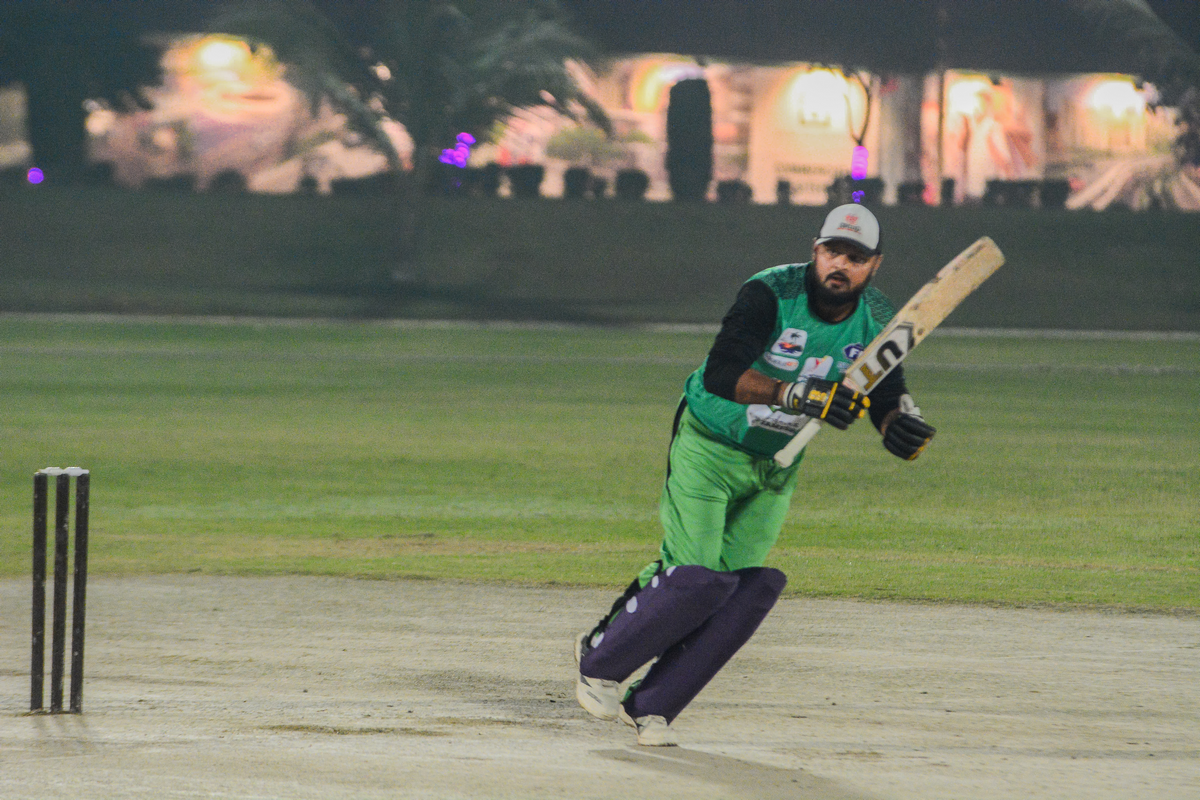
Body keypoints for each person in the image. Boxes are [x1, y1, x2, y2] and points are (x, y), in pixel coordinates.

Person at [573, 203, 937, 746]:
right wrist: (796, 394)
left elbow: (883, 390)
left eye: (856, 257)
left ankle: (653, 703)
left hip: (776, 464)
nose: (841, 265)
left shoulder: (879, 318)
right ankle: (600, 658)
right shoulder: (770, 293)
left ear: (874, 265)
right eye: (833, 251)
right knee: (693, 573)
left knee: (740, 587)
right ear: (815, 251)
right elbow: (722, 372)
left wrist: (896, 425)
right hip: (710, 443)